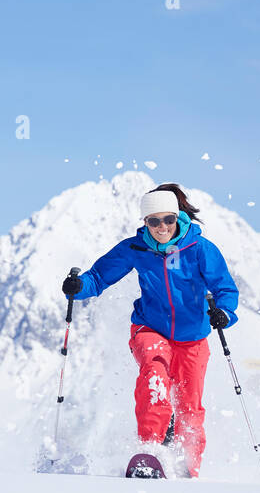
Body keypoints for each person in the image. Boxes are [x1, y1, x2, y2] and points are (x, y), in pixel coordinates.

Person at [61, 183, 238, 477]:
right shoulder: (136, 248)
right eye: (153, 221)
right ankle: (150, 450)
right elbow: (99, 277)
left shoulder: (199, 249)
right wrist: (79, 288)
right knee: (154, 376)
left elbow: (224, 288)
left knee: (189, 404)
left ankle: (186, 465)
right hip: (150, 328)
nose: (161, 227)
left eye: (168, 219)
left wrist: (225, 313)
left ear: (178, 217)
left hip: (192, 337)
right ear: (145, 222)